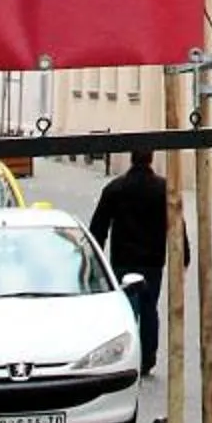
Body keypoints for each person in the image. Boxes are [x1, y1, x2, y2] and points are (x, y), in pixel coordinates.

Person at [88, 148, 170, 376]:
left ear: (131, 159)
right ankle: (148, 357)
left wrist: (95, 258)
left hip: (123, 258)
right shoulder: (163, 189)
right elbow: (176, 222)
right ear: (151, 158)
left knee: (126, 310)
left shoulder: (115, 188)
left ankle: (127, 356)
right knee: (149, 307)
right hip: (153, 260)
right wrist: (183, 253)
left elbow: (99, 226)